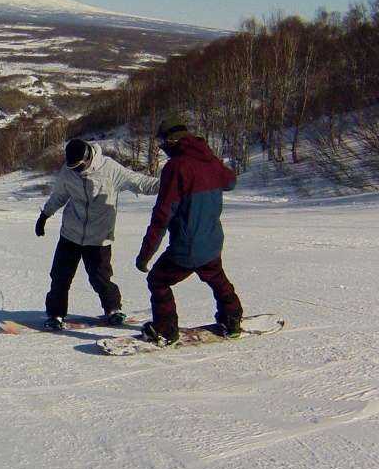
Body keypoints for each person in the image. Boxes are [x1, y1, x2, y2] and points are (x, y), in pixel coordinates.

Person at [134, 113, 244, 345]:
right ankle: (232, 319)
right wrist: (211, 161)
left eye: (162, 144)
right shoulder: (208, 160)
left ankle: (165, 330)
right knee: (216, 278)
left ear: (171, 141)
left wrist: (145, 254)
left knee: (158, 280)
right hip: (212, 241)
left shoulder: (177, 167)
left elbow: (162, 215)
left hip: (187, 246)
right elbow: (230, 181)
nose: (162, 148)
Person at [36, 138, 160, 330]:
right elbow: (59, 195)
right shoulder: (68, 171)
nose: (75, 171)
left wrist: (170, 183)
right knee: (60, 276)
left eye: (78, 167)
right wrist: (45, 215)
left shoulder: (110, 169)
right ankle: (55, 314)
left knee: (100, 277)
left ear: (87, 159)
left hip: (99, 237)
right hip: (71, 233)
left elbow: (141, 183)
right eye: (72, 167)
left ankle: (113, 309)